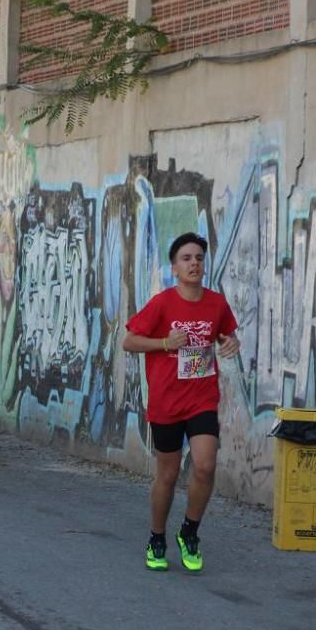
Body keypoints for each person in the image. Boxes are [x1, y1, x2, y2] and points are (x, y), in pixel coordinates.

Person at [123, 232, 240, 572]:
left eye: (199, 258)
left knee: (204, 466)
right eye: (186, 258)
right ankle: (157, 536)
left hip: (202, 398)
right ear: (174, 268)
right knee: (169, 474)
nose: (194, 263)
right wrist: (163, 343)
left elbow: (227, 335)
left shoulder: (216, 303)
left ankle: (190, 530)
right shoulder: (162, 304)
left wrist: (232, 343)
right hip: (167, 401)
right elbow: (129, 342)